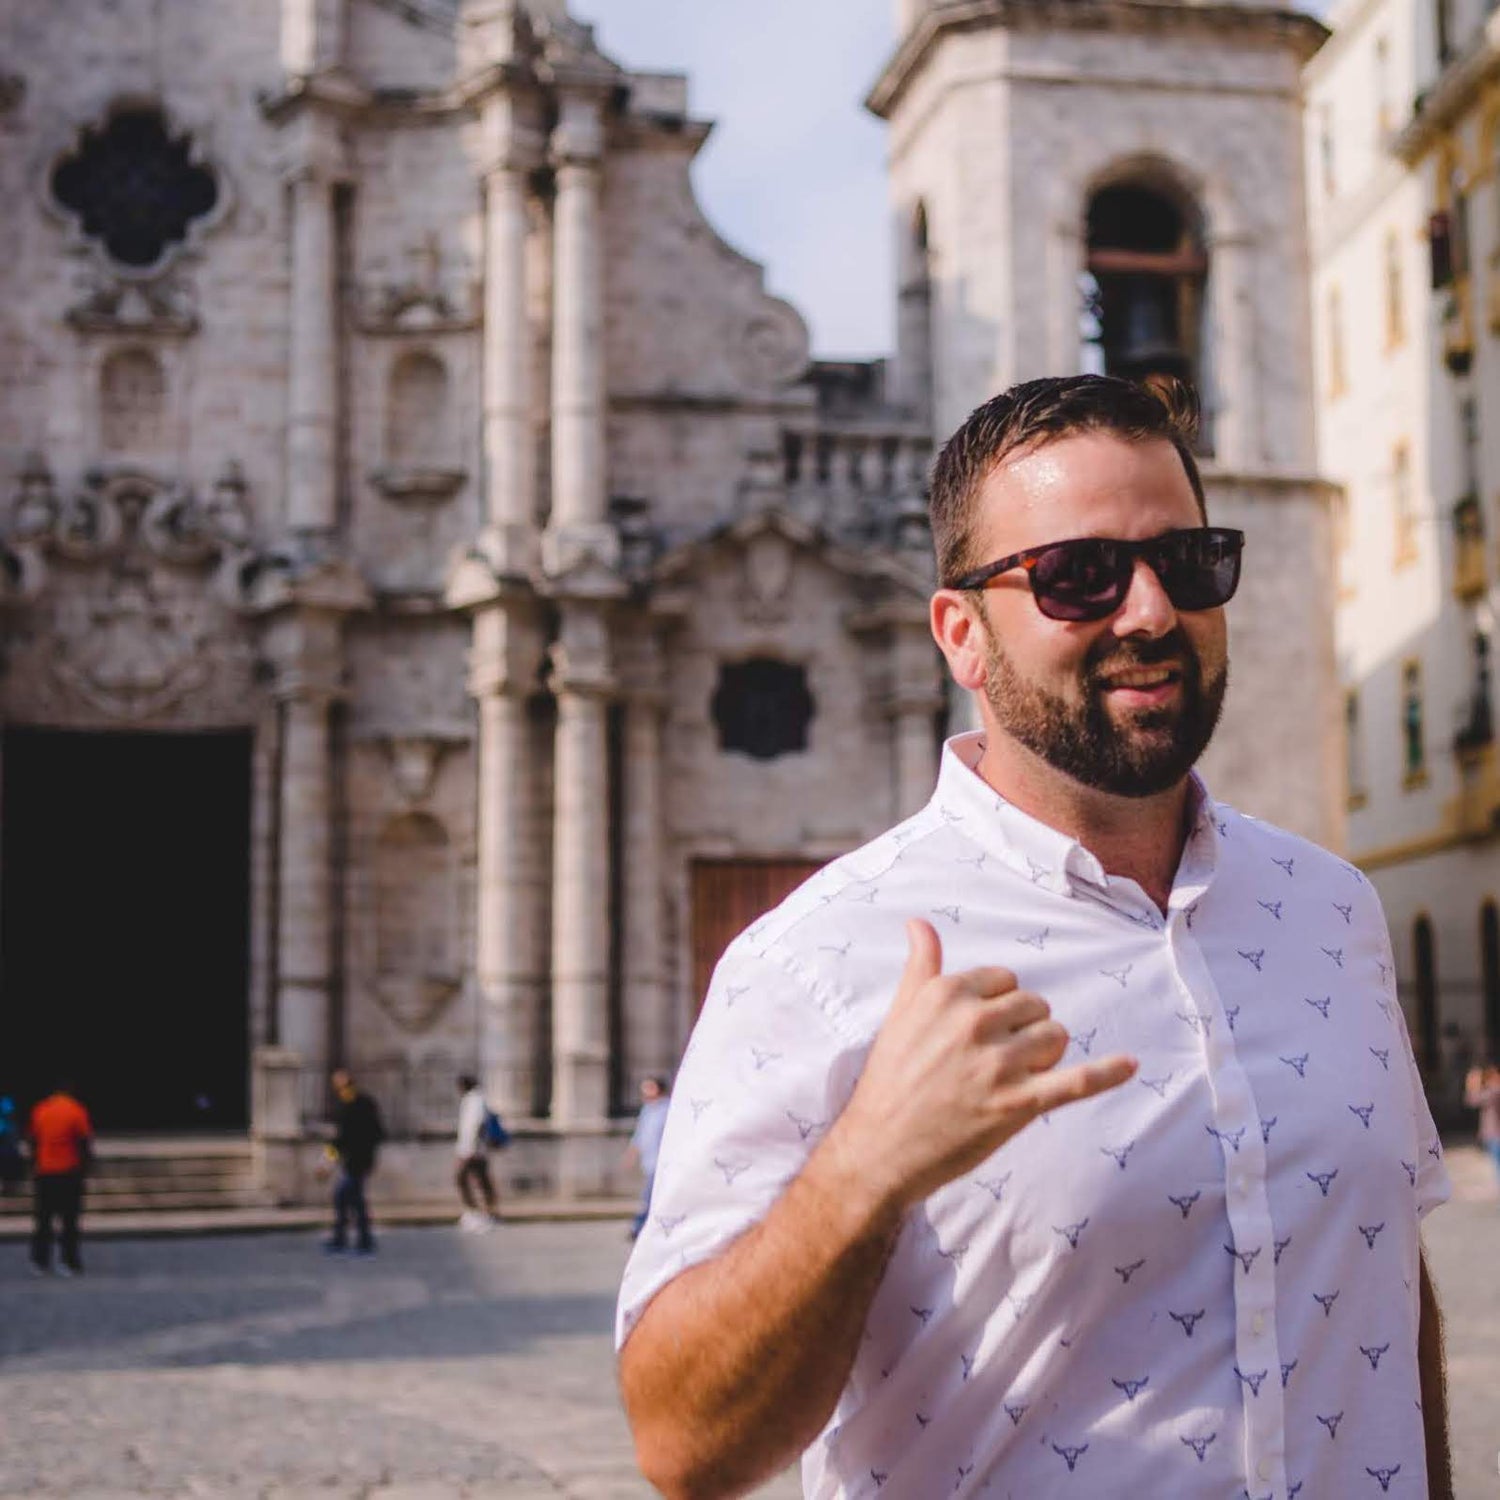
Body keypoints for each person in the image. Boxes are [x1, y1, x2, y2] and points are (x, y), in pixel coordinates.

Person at [617, 376, 1453, 1499]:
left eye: (1190, 562)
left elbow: (1385, 1283)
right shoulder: (816, 961)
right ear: (961, 635)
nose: (1151, 611)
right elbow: (682, 1446)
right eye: (1079, 575)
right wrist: (864, 1168)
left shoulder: (1334, 909)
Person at [26, 1079, 93, 1277]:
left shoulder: (41, 1110)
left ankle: (40, 1261)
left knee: (43, 1220)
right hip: (68, 1171)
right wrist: (85, 1167)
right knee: (70, 1220)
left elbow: (33, 1140)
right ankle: (69, 1261)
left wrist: (35, 1165)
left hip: (45, 1171)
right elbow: (83, 1140)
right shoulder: (76, 1110)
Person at [323, 1068, 384, 1256]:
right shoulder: (353, 1104)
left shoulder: (354, 1105)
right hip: (357, 1161)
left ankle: (349, 1239)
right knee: (353, 1201)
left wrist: (327, 1161)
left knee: (344, 1199)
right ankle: (360, 1239)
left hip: (357, 1161)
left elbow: (341, 1139)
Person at [624, 1075, 671, 1240]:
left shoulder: (668, 1110)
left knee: (649, 1195)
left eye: (649, 1087)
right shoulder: (647, 1110)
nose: (644, 1092)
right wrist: (631, 1154)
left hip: (662, 1163)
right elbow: (640, 1135)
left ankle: (637, 1227)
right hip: (649, 1161)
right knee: (652, 1196)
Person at [454, 1073, 501, 1231]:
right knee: (482, 1181)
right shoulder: (473, 1099)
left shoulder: (475, 1099)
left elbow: (477, 1125)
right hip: (473, 1149)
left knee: (462, 1179)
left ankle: (476, 1212)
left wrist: (471, 1148)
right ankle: (488, 1213)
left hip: (472, 1150)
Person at [1464, 1057, 1500, 1189]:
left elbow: (1472, 1100)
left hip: (1495, 1134)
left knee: (1497, 1163)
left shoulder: (1494, 1091)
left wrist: (1472, 1083)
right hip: (1493, 1134)